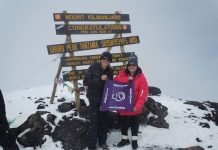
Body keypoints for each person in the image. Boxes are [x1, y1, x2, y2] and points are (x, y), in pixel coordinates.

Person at [114, 54, 148, 150]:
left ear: (136, 66)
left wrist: (138, 105)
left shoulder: (141, 77)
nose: (132, 67)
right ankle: (124, 139)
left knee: (134, 123)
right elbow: (115, 80)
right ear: (127, 66)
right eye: (130, 65)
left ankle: (134, 140)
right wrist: (126, 79)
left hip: (134, 105)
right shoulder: (123, 73)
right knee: (122, 122)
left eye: (134, 65)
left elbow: (143, 92)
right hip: (123, 103)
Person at [83, 51, 114, 150]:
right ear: (100, 59)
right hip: (94, 99)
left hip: (105, 100)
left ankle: (102, 143)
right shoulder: (93, 67)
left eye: (107, 59)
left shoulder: (110, 71)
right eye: (103, 59)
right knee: (94, 123)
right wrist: (100, 78)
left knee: (104, 122)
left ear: (109, 62)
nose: (105, 61)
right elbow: (86, 81)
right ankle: (92, 146)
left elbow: (111, 84)